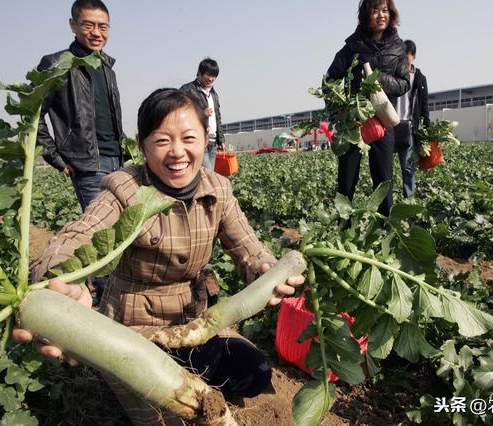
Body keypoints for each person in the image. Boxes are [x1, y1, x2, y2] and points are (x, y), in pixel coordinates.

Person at [16, 88, 304, 425]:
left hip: (196, 323)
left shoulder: (218, 188)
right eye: (163, 140)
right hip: (135, 333)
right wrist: (60, 282)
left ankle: (190, 367)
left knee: (254, 372)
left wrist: (264, 268)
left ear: (204, 138)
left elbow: (247, 247)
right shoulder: (124, 189)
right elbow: (77, 237)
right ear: (142, 143)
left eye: (188, 138)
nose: (177, 152)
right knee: (166, 417)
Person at [37, 0, 124, 301]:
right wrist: (56, 157)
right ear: (73, 26)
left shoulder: (107, 66)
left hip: (116, 158)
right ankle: (104, 294)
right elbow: (34, 117)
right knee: (100, 231)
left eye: (102, 26)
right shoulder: (57, 64)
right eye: (88, 25)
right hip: (87, 162)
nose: (96, 32)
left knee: (122, 228)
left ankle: (113, 288)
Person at [326, 0, 410, 216]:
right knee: (346, 180)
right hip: (353, 123)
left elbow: (403, 83)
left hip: (382, 121)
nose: (381, 15)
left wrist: (380, 79)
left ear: (391, 15)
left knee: (384, 181)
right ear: (366, 15)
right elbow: (330, 80)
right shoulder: (352, 46)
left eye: (385, 11)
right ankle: (342, 225)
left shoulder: (398, 48)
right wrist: (341, 110)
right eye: (375, 10)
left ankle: (385, 229)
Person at [394, 39, 430, 199]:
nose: (403, 59)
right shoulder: (393, 75)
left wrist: (427, 128)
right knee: (384, 168)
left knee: (407, 168)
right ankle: (385, 202)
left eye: (406, 56)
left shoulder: (420, 79)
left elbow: (425, 105)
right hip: (391, 124)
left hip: (408, 127)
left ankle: (409, 201)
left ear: (413, 56)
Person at [180, 58, 225, 170]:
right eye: (208, 75)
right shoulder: (187, 90)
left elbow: (217, 117)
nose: (211, 79)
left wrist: (221, 140)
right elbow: (179, 114)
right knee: (208, 174)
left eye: (214, 76)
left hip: (213, 141)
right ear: (199, 73)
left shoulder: (214, 93)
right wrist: (202, 113)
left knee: (208, 175)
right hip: (198, 139)